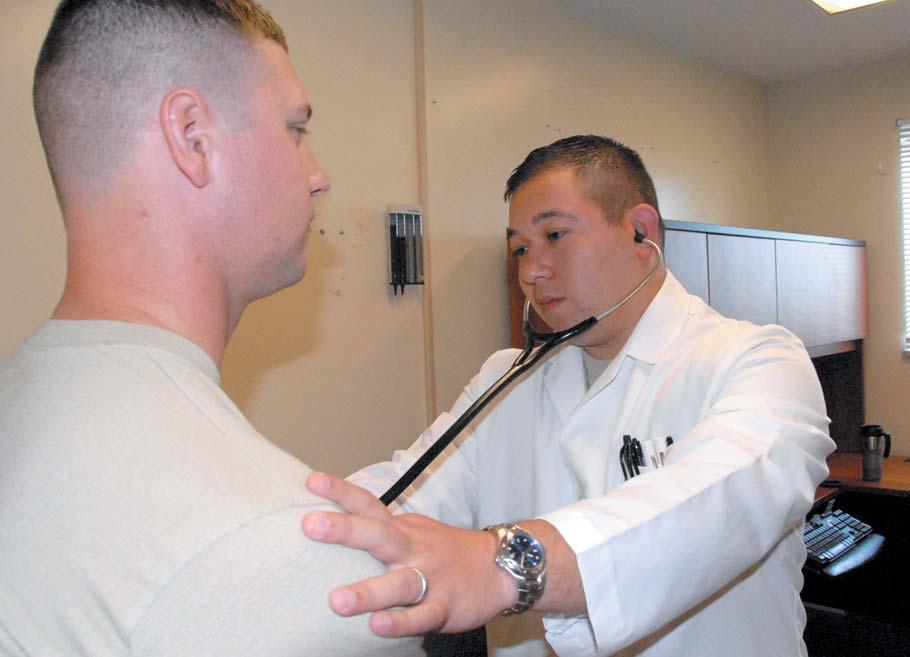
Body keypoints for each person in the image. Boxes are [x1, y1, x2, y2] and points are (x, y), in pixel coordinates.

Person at [302, 135, 836, 656]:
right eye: (519, 249)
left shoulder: (756, 361)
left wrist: (506, 565)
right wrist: (306, 524)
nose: (531, 271)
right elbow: (406, 491)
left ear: (639, 230)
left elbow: (717, 505)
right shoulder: (504, 379)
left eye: (555, 235)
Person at [0, 2, 421, 656]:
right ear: (192, 135)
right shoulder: (299, 568)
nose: (317, 176)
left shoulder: (22, 395)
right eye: (295, 129)